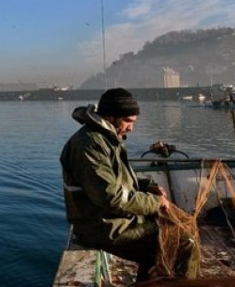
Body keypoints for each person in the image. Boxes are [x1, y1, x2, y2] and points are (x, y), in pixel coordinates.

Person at [60, 88, 197, 282]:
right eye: (128, 121)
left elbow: (117, 180)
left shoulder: (105, 138)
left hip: (113, 221)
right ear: (110, 116)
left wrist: (146, 186)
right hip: (102, 228)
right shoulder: (89, 145)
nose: (131, 128)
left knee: (165, 241)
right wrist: (155, 202)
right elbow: (111, 197)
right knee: (183, 242)